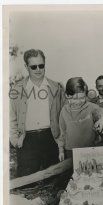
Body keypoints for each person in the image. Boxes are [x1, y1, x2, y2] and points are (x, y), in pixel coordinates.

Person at [10, 49, 65, 177]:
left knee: (55, 183)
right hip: (27, 140)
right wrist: (14, 140)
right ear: (26, 67)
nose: (38, 69)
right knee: (26, 185)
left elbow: (64, 116)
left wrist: (61, 142)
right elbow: (10, 117)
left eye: (41, 65)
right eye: (33, 67)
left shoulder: (56, 87)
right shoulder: (17, 89)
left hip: (51, 138)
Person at [58, 77, 103, 161]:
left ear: (86, 95)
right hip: (70, 151)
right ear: (67, 95)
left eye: (82, 98)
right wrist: (61, 151)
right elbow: (62, 133)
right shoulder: (64, 111)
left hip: (90, 150)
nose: (78, 102)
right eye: (74, 98)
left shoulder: (91, 107)